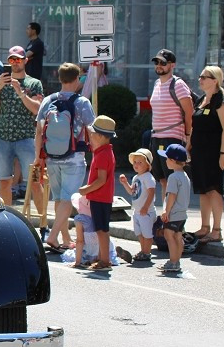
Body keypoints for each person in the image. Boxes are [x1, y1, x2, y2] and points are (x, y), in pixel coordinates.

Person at [34, 62, 95, 251]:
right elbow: (92, 129)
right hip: (74, 158)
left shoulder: (48, 100)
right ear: (77, 79)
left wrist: (38, 157)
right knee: (68, 198)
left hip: (52, 157)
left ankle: (65, 238)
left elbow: (38, 131)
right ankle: (53, 237)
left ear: (60, 79)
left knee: (59, 198)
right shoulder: (82, 102)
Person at [0, 45, 43, 203]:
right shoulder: (0, 81)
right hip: (2, 138)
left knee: (35, 182)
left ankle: (43, 224)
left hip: (26, 138)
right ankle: (7, 219)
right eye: (11, 60)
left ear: (25, 61)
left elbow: (37, 109)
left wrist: (21, 92)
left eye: (18, 59)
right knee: (4, 181)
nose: (15, 63)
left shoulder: (34, 83)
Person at [189, 65, 224, 243]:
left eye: (204, 77)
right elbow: (194, 126)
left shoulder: (220, 102)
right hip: (199, 151)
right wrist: (188, 145)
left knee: (214, 190)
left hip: (213, 152)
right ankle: (204, 226)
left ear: (215, 80)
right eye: (200, 76)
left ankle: (217, 229)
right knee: (203, 190)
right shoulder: (201, 101)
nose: (200, 79)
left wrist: (223, 153)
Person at [148, 48, 194, 197]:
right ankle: (166, 215)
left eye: (163, 63)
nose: (159, 65)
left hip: (173, 137)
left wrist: (188, 137)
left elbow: (189, 112)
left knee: (173, 179)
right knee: (162, 180)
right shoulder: (156, 84)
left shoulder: (178, 85)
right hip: (156, 137)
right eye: (156, 62)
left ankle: (174, 215)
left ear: (172, 65)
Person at [77, 115, 117, 271]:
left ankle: (105, 261)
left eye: (93, 134)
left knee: (101, 230)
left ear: (100, 136)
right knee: (102, 229)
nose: (91, 137)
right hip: (102, 197)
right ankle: (103, 258)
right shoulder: (104, 152)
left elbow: (101, 180)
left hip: (99, 198)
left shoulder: (102, 155)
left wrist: (85, 190)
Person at [116, 149, 157, 265]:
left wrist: (145, 207)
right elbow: (132, 192)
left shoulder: (148, 177)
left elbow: (151, 192)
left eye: (140, 162)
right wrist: (125, 184)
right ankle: (143, 250)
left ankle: (147, 252)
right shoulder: (136, 178)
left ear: (148, 164)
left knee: (147, 234)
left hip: (146, 211)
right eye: (135, 162)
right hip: (137, 211)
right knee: (139, 233)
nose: (136, 165)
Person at [158, 143, 192, 275]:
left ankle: (172, 261)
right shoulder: (185, 176)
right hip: (182, 213)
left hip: (174, 213)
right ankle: (176, 261)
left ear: (172, 161)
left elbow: (172, 195)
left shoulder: (173, 177)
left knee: (169, 235)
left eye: (167, 159)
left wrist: (166, 210)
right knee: (178, 236)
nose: (165, 161)